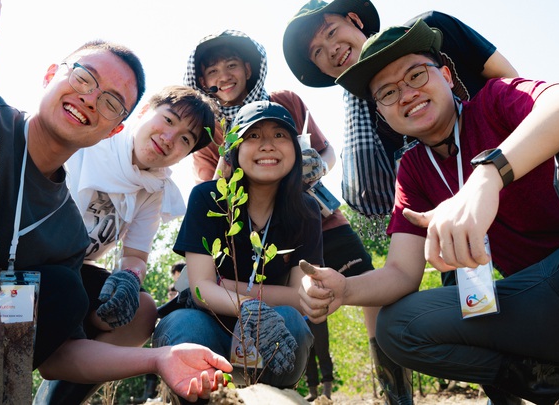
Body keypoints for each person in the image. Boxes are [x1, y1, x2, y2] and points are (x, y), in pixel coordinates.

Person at [0, 0, 230, 404]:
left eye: (110, 102)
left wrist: (159, 358)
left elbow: (54, 352)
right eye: (83, 78)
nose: (89, 99)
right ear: (49, 75)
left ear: (111, 130)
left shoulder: (63, 234)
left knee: (61, 295)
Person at [299, 19, 559, 404]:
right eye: (389, 92)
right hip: (547, 300)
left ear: (446, 75)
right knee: (398, 326)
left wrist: (487, 178)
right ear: (381, 113)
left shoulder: (494, 101)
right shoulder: (412, 171)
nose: (407, 94)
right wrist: (345, 289)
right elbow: (401, 272)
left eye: (415, 75)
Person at [185, 29, 382, 402]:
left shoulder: (285, 101)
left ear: (248, 68)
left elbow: (327, 153)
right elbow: (212, 196)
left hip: (314, 216)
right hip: (249, 233)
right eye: (212, 71)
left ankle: (388, 383)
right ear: (201, 80)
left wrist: (308, 171)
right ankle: (289, 387)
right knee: (280, 305)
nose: (223, 76)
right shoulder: (209, 132)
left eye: (231, 66)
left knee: (364, 284)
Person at [33, 86, 218, 404]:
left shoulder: (152, 187)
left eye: (186, 139)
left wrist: (129, 279)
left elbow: (135, 254)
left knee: (142, 310)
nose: (170, 138)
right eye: (169, 120)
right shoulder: (91, 142)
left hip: (73, 275)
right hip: (28, 266)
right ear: (145, 111)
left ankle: (59, 396)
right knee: (68, 291)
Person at [282, 0, 517, 224]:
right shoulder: (364, 123)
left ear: (355, 19)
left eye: (331, 32)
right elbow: (381, 194)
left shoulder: (430, 30)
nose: (331, 49)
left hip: (517, 163)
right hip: (469, 216)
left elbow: (509, 81)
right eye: (317, 51)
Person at [153, 101, 323, 404]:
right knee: (183, 326)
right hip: (207, 322)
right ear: (235, 150)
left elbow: (300, 296)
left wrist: (229, 288)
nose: (268, 146)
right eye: (253, 136)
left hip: (270, 329)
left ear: (296, 151)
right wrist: (247, 306)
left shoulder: (307, 211)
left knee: (292, 323)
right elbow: (200, 287)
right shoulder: (209, 198)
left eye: (280, 135)